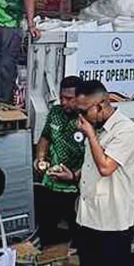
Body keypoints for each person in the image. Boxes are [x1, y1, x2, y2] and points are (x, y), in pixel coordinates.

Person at [73, 79, 134, 266]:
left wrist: (91, 136)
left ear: (101, 105)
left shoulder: (126, 130)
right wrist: (73, 175)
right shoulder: (94, 128)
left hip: (113, 219)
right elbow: (92, 167)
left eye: (84, 111)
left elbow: (105, 167)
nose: (81, 118)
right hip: (88, 217)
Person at [33, 76, 84, 245]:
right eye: (62, 97)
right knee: (46, 233)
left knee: (78, 238)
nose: (63, 102)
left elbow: (94, 159)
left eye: (69, 99)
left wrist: (74, 176)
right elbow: (45, 138)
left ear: (80, 97)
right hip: (51, 184)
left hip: (75, 189)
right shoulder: (55, 113)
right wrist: (40, 158)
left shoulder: (87, 119)